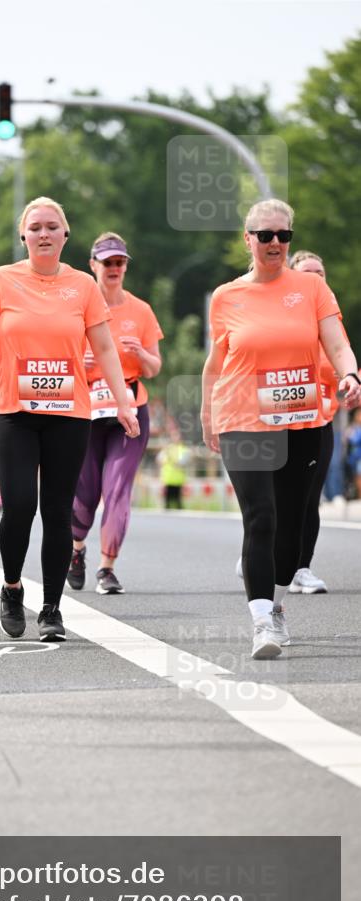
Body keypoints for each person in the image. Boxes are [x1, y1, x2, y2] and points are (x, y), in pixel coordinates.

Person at [0, 196, 140, 642]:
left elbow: (104, 349)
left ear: (65, 235)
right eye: (35, 227)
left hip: (68, 413)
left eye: (52, 227)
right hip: (14, 412)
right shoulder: (1, 281)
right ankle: (10, 587)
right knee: (20, 504)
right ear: (23, 236)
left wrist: (123, 402)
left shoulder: (83, 286)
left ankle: (51, 609)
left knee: (58, 512)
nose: (43, 234)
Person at [201, 199, 360, 660]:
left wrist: (351, 375)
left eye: (283, 236)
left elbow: (337, 343)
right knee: (261, 516)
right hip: (242, 418)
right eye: (265, 235)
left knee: (293, 523)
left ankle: (277, 604)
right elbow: (216, 363)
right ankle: (260, 620)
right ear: (247, 238)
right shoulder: (226, 296)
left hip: (301, 418)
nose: (274, 243)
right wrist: (210, 416)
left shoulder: (310, 289)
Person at [67, 232, 162, 594]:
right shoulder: (75, 308)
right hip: (85, 412)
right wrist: (80, 360)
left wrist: (140, 354)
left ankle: (107, 567)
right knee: (85, 494)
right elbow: (57, 361)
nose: (114, 268)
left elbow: (154, 368)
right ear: (93, 265)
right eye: (107, 262)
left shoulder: (140, 311)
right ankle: (77, 549)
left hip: (130, 411)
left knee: (118, 489)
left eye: (119, 262)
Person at [288, 250, 353, 594]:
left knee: (308, 496)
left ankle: (300, 568)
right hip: (274, 421)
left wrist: (352, 380)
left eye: (320, 273)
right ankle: (259, 549)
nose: (316, 279)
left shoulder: (331, 322)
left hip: (318, 419)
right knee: (273, 498)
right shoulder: (280, 318)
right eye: (307, 273)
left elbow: (343, 358)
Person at [158, 425, 190, 510]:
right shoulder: (167, 449)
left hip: (178, 481)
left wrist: (170, 456)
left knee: (178, 504)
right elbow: (160, 460)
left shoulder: (184, 449)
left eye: (177, 435)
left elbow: (182, 462)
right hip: (168, 480)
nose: (175, 437)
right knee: (167, 504)